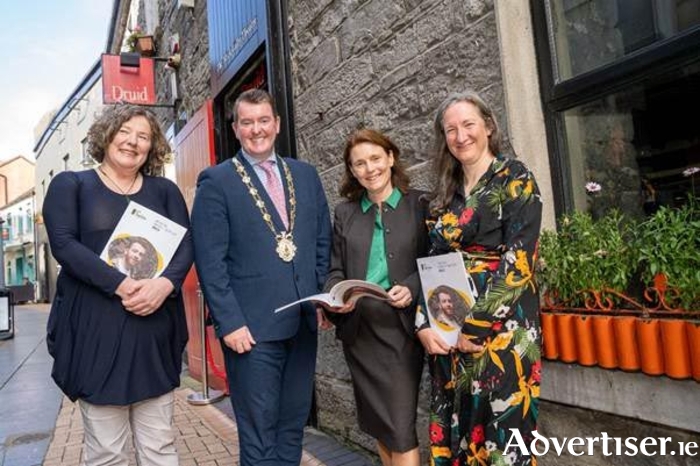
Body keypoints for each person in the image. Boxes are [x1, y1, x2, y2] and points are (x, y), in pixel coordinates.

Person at [43, 104, 193, 466]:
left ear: (152, 147)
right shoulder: (73, 185)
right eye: (125, 131)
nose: (133, 142)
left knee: (159, 446)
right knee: (107, 453)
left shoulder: (165, 191)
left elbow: (186, 244)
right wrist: (122, 285)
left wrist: (165, 286)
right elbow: (64, 244)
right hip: (97, 334)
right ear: (107, 134)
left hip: (153, 331)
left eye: (143, 136)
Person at [191, 88, 332, 466]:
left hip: (301, 323)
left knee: (292, 425)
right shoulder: (215, 182)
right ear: (235, 128)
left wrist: (319, 297)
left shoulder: (305, 175)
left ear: (277, 124)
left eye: (264, 120)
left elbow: (321, 239)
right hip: (250, 332)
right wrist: (230, 322)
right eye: (248, 122)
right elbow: (210, 261)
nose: (257, 130)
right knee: (257, 434)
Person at [415, 91, 543, 466]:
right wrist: (424, 323)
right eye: (450, 129)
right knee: (457, 435)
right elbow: (429, 263)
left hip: (501, 334)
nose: (460, 136)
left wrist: (476, 326)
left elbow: (520, 260)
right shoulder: (443, 195)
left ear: (488, 126)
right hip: (448, 335)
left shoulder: (514, 178)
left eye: (468, 124)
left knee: (502, 438)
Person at [322, 128, 428, 466]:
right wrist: (336, 295)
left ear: (391, 158)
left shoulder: (420, 204)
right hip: (360, 333)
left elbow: (436, 262)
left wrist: (411, 285)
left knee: (400, 427)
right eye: (359, 164)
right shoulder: (345, 213)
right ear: (352, 171)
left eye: (375, 159)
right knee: (380, 427)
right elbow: (335, 269)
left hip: (401, 332)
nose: (370, 169)